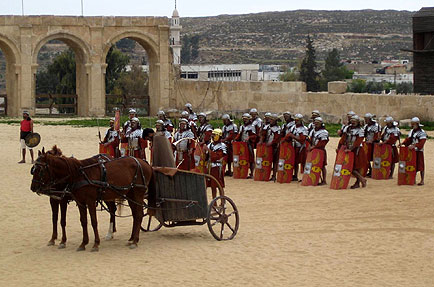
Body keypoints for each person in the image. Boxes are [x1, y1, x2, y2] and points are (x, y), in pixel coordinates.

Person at [339, 115, 367, 189]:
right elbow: (343, 138)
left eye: (355, 121)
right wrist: (339, 147)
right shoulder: (347, 128)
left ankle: (359, 181)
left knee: (356, 167)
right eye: (352, 120)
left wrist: (351, 148)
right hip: (348, 149)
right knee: (350, 167)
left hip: (357, 150)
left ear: (358, 122)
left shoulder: (360, 130)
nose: (353, 122)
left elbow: (358, 141)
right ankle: (362, 179)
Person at [401, 117, 427, 186]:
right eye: (412, 124)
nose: (412, 125)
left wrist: (414, 145)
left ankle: (422, 180)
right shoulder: (412, 131)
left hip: (419, 151)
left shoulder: (422, 132)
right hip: (412, 152)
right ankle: (413, 179)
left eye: (413, 124)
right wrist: (403, 143)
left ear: (417, 124)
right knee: (412, 165)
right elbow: (409, 139)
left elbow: (422, 143)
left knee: (421, 166)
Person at [204, 129, 227, 199]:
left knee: (219, 185)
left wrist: (208, 150)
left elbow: (217, 157)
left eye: (214, 135)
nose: (213, 137)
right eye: (212, 135)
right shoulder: (210, 145)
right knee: (212, 186)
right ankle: (214, 203)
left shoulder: (222, 146)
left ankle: (223, 202)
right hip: (210, 167)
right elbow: (206, 157)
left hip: (217, 167)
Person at [284, 114, 308, 181]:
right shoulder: (293, 127)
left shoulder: (304, 129)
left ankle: (305, 177)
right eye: (295, 120)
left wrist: (292, 136)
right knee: (295, 162)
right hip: (294, 147)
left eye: (297, 120)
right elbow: (289, 136)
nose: (296, 121)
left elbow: (302, 140)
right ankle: (295, 175)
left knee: (303, 162)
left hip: (301, 147)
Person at [307, 117, 329, 185]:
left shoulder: (324, 132)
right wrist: (310, 144)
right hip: (313, 150)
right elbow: (311, 140)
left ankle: (324, 180)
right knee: (311, 165)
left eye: (318, 123)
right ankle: (310, 178)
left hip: (320, 151)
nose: (316, 124)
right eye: (315, 123)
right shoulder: (313, 131)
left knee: (322, 166)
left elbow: (323, 142)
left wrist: (314, 147)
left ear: (321, 124)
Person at [235, 113, 257, 179]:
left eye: (246, 119)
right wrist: (235, 140)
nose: (245, 120)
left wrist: (249, 137)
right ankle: (242, 172)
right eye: (244, 119)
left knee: (251, 158)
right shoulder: (242, 126)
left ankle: (251, 173)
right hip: (242, 144)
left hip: (249, 144)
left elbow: (254, 135)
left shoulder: (252, 126)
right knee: (242, 159)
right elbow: (239, 135)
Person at [263, 114, 281, 181]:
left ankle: (274, 176)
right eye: (270, 119)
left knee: (275, 161)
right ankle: (265, 174)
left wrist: (271, 143)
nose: (270, 121)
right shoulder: (267, 127)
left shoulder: (278, 128)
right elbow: (263, 135)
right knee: (266, 161)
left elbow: (277, 138)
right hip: (267, 146)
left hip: (275, 146)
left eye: (272, 119)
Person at [363, 113, 381, 177]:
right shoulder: (366, 126)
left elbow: (377, 136)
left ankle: (375, 171)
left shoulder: (376, 126)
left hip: (374, 144)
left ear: (370, 119)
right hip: (367, 144)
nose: (365, 120)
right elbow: (363, 134)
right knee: (366, 158)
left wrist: (372, 140)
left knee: (375, 158)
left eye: (366, 119)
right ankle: (370, 170)